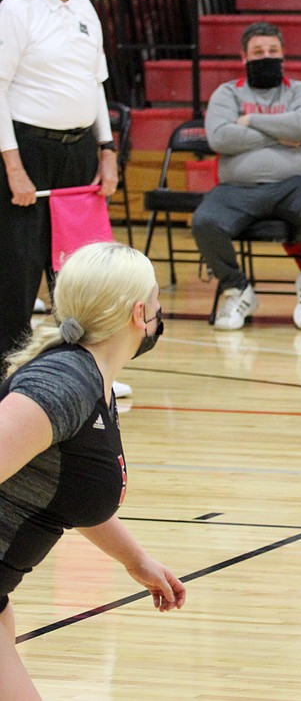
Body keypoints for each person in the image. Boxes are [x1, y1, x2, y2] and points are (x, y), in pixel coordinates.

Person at [0, 242, 186, 697]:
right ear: (140, 314)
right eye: (159, 303)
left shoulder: (91, 378)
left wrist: (135, 559)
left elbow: (70, 490)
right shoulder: (63, 384)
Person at [0, 0, 129, 397]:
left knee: (79, 265)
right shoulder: (15, 9)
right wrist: (13, 166)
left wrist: (107, 150)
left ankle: (92, 370)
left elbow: (96, 85)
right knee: (18, 263)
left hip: (79, 153)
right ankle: (7, 370)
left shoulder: (85, 7)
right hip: (28, 149)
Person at [196, 21, 301, 331]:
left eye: (273, 51)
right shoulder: (227, 93)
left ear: (283, 55)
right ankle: (237, 290)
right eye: (258, 52)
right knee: (204, 222)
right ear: (244, 58)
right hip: (236, 188)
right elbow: (220, 138)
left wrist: (248, 121)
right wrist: (280, 134)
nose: (266, 56)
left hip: (294, 186)